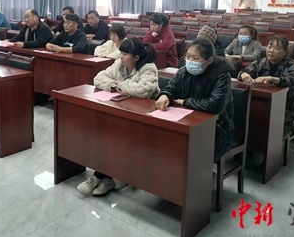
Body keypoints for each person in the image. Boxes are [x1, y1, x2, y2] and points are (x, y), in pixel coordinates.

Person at [78, 38, 159, 196]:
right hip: (122, 110)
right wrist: (115, 85)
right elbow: (98, 78)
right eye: (121, 53)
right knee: (104, 134)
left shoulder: (148, 68)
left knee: (113, 137)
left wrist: (120, 85)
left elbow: (144, 90)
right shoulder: (118, 64)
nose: (121, 57)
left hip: (143, 119)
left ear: (136, 57)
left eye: (125, 54)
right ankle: (105, 177)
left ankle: (101, 176)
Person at [155, 39, 234, 162]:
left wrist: (185, 102)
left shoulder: (222, 76)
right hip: (187, 121)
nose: (190, 61)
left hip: (217, 128)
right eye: (187, 57)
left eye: (195, 58)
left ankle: (197, 173)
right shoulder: (183, 72)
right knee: (165, 145)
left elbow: (215, 105)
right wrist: (165, 95)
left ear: (209, 60)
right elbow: (172, 88)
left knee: (190, 156)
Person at [238, 36, 294, 132]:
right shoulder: (260, 62)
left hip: (286, 106)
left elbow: (292, 81)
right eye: (269, 47)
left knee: (265, 122)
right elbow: (243, 72)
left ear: (285, 52)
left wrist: (271, 79)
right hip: (261, 103)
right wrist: (243, 75)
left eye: (276, 48)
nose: (271, 50)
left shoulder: (290, 64)